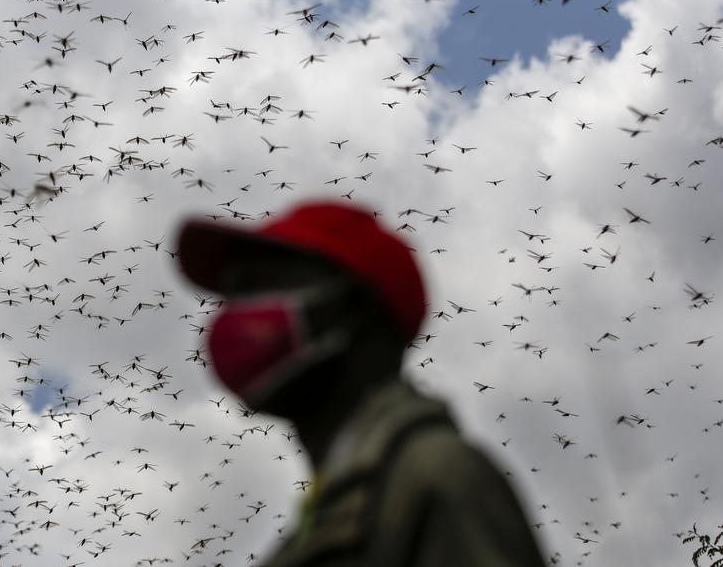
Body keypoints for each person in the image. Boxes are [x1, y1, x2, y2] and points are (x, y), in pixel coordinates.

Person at [176, 199, 548, 567]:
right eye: (231, 295)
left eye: (257, 285)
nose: (230, 316)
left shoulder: (432, 477)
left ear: (354, 306)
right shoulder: (325, 527)